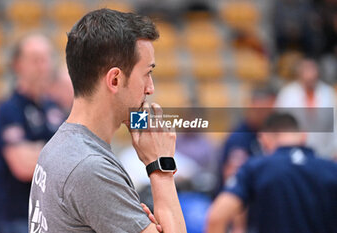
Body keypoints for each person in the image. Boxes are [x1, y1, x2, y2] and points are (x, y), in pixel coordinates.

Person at [29, 8, 186, 233]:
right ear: (115, 79)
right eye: (147, 73)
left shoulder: (59, 147)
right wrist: (161, 167)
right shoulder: (90, 167)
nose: (150, 89)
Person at [206, 112, 337, 233]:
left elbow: (217, 217)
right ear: (303, 135)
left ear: (264, 138)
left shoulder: (257, 167)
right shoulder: (331, 169)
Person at [0, 33, 65, 233]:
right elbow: (23, 167)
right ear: (18, 64)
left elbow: (75, 155)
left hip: (52, 216)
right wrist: (60, 153)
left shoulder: (55, 109)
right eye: (35, 60)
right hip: (17, 217)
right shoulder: (9, 110)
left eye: (45, 58)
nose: (42, 66)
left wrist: (37, 151)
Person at [275, 57, 337, 158]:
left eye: (312, 69)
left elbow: (335, 123)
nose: (309, 74)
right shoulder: (287, 93)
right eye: (306, 69)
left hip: (325, 152)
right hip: (294, 153)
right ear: (299, 72)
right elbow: (280, 123)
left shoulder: (328, 93)